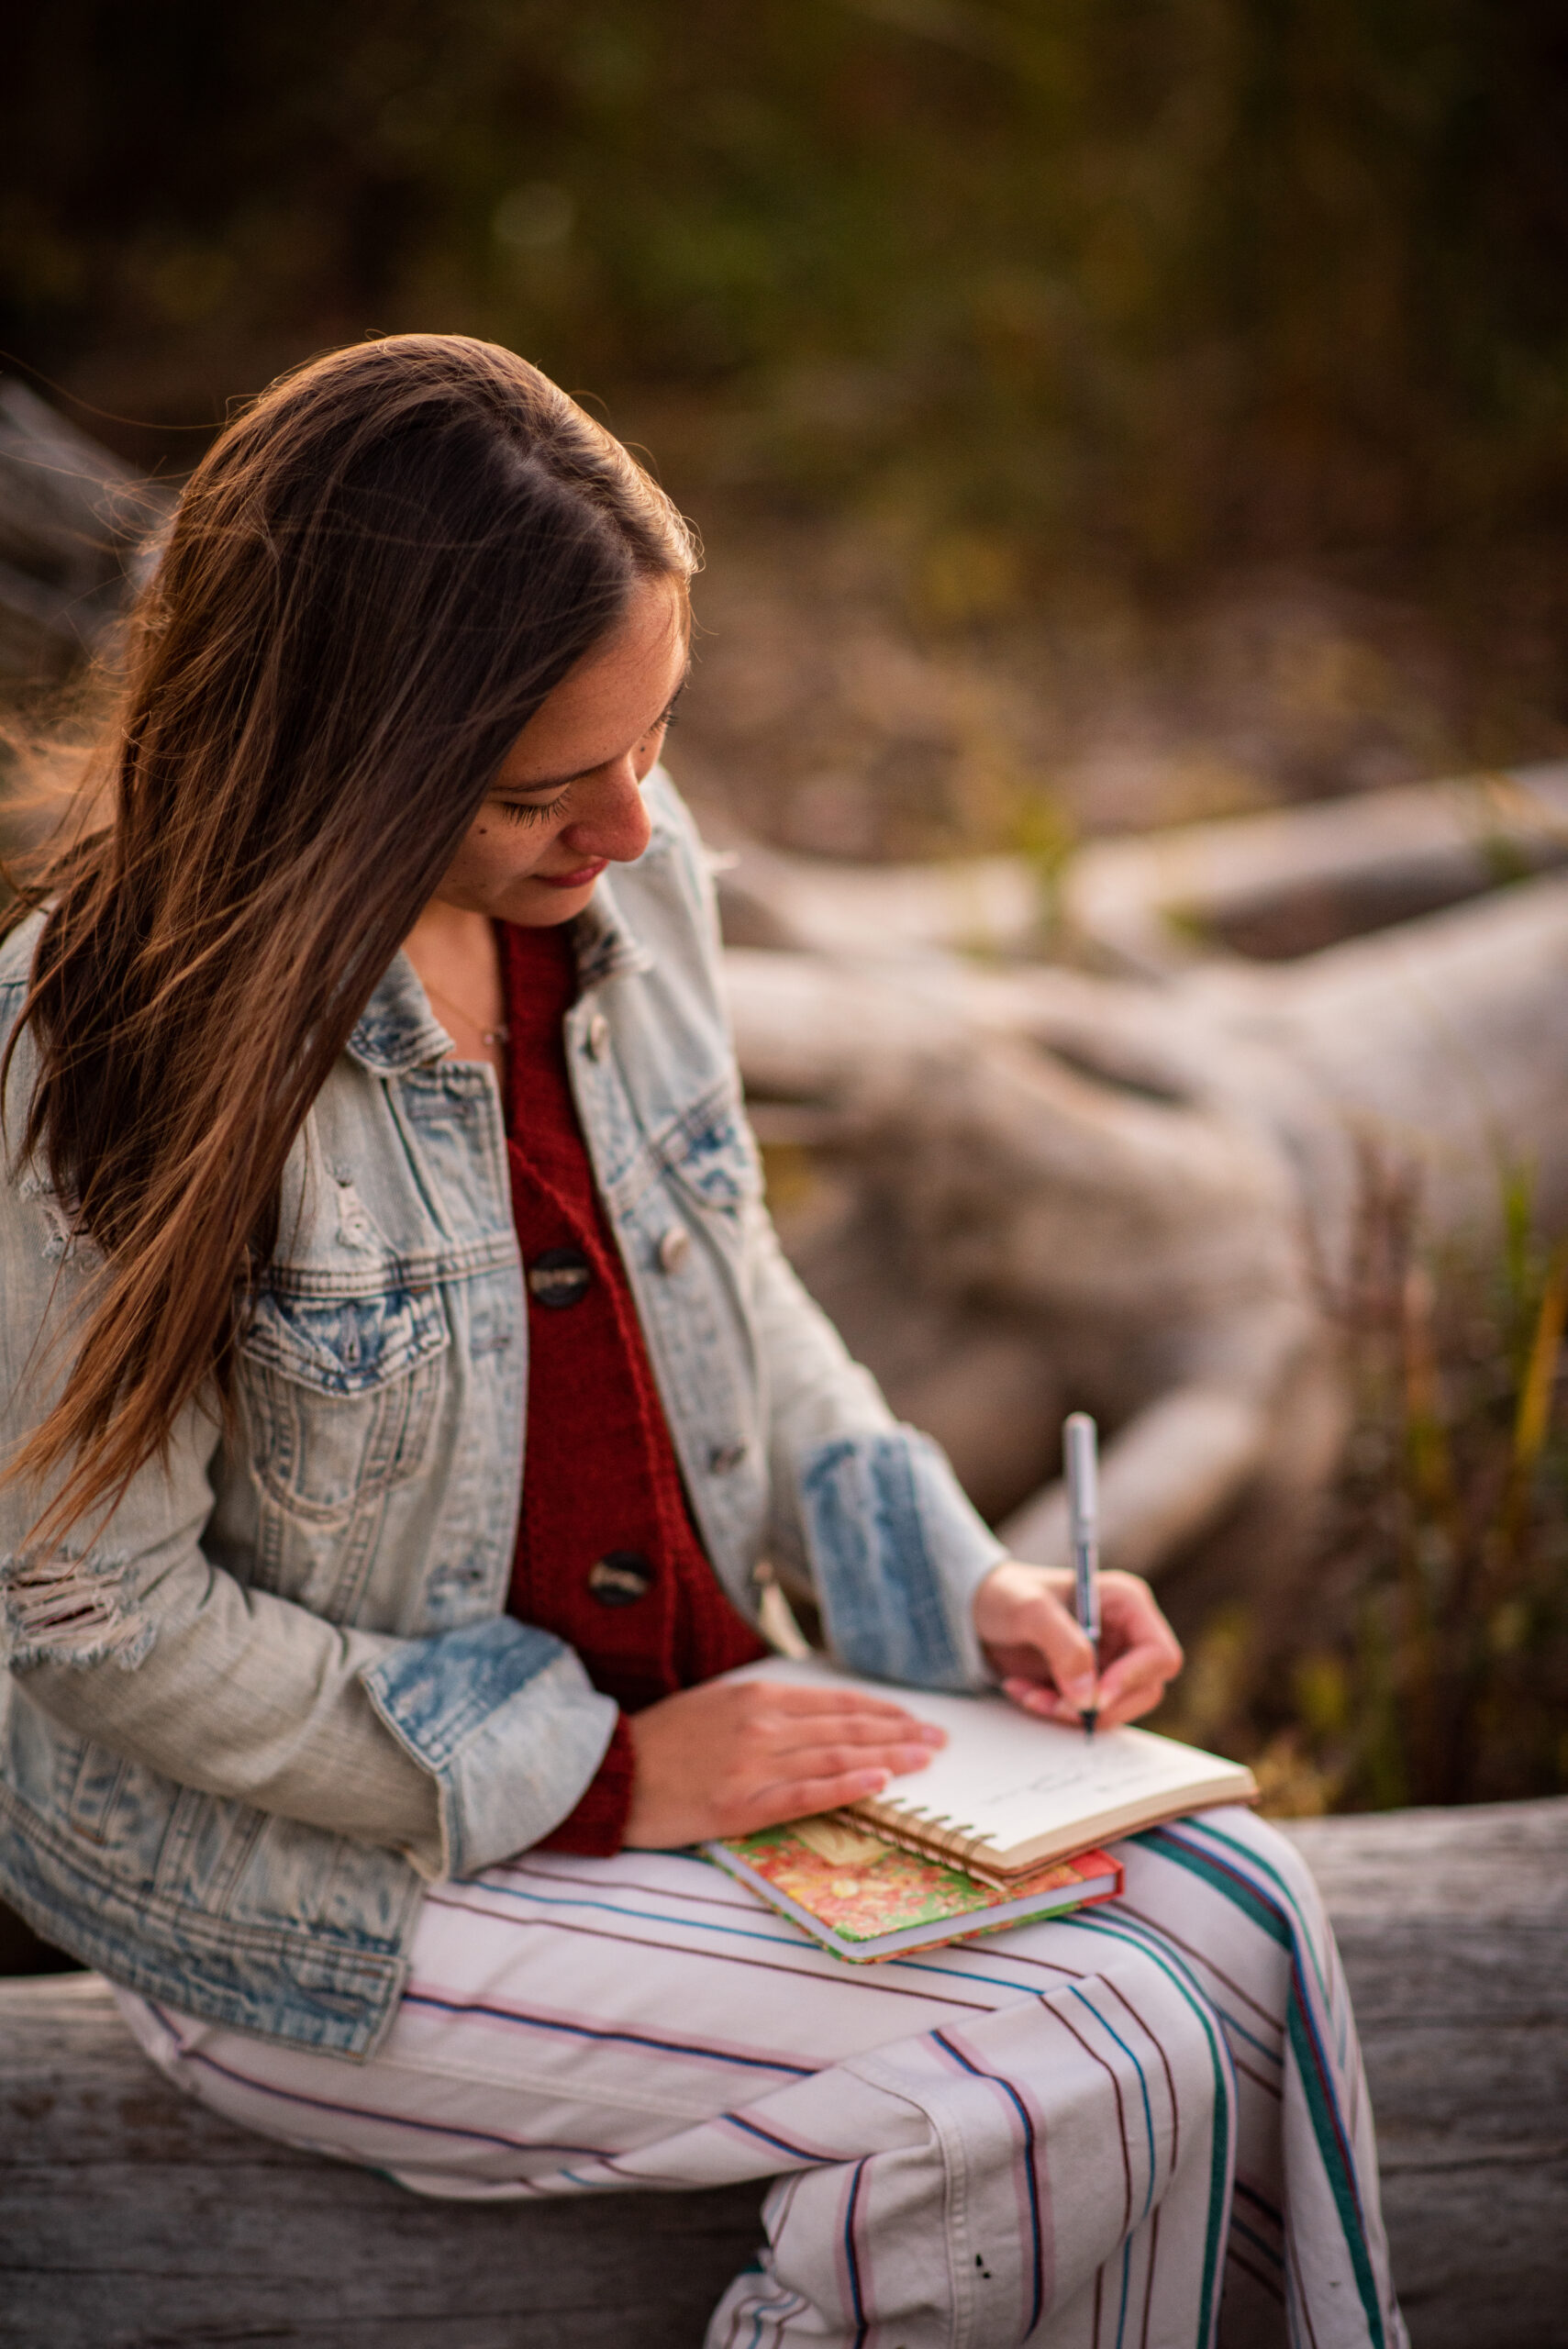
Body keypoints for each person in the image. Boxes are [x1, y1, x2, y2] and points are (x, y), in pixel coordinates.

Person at [0, 335, 1404, 2349]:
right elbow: (90, 1613)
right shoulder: (100, 1047)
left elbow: (741, 1299)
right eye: (540, 790)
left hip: (700, 1764)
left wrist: (966, 1585)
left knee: (1250, 1908)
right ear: (342, 762)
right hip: (313, 1893)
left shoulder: (643, 908)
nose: (638, 831)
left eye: (656, 741)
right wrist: (596, 1771)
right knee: (1083, 2045)